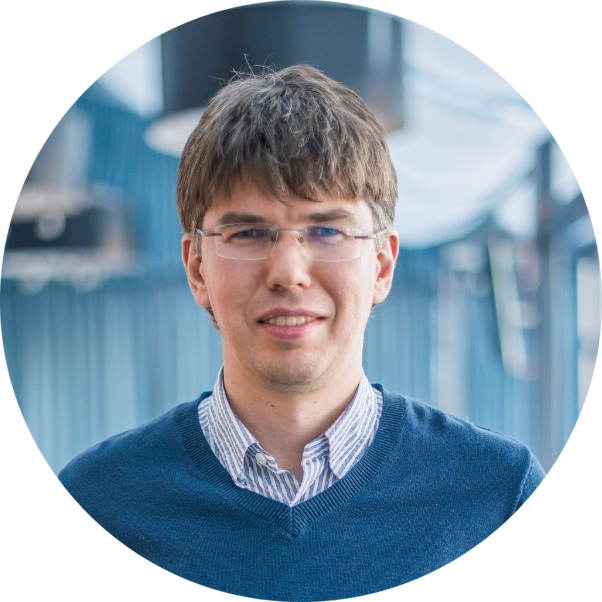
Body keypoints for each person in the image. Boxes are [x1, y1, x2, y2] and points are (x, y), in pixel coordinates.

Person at [58, 65, 546, 599]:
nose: (288, 272)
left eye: (327, 230)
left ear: (382, 265)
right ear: (197, 268)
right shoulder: (98, 502)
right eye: (249, 232)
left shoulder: (498, 495)